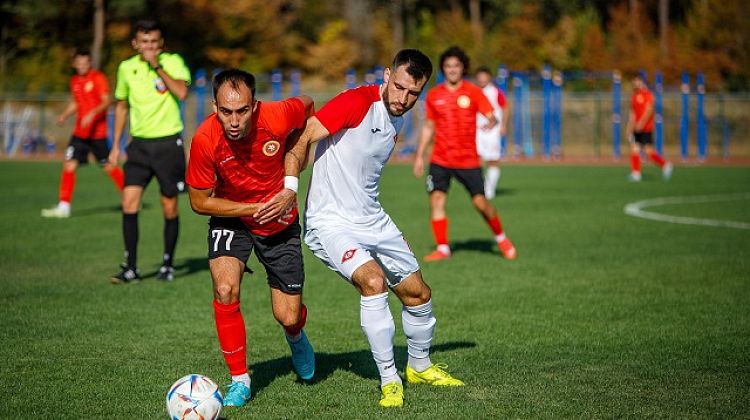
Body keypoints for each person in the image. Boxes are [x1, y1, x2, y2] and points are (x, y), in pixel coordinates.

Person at [274, 49, 463, 409]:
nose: (403, 99)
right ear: (387, 74)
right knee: (373, 281)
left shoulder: (398, 117)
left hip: (372, 218)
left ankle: (419, 367)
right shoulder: (356, 101)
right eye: (399, 87)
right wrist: (290, 188)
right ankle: (390, 380)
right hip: (330, 222)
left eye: (413, 94)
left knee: (418, 293)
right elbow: (302, 137)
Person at [186, 69, 316, 408]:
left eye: (242, 110)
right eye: (226, 111)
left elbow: (309, 106)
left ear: (254, 105)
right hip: (232, 217)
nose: (233, 120)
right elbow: (199, 201)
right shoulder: (204, 139)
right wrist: (249, 208)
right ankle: (240, 379)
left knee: (287, 315)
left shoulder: (276, 115)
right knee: (225, 288)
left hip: (279, 220)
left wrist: (293, 174)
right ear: (215, 107)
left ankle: (296, 336)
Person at [413, 46, 516, 262]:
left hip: (468, 160)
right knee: (437, 200)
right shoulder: (434, 95)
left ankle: (501, 238)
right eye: (448, 66)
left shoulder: (473, 92)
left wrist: (492, 120)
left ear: (463, 68)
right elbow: (429, 127)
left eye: (456, 66)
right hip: (440, 158)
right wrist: (420, 155)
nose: (452, 70)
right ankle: (443, 247)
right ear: (443, 69)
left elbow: (492, 114)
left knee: (480, 203)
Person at [109, 20, 191, 283]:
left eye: (154, 43)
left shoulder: (173, 61)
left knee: (169, 206)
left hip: (168, 144)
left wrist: (157, 66)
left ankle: (168, 263)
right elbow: (121, 107)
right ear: (135, 44)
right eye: (144, 43)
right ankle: (131, 267)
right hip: (139, 147)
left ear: (161, 44)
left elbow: (181, 92)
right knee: (128, 202)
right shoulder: (126, 68)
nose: (149, 48)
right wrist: (115, 145)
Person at [42, 47, 124, 218]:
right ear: (74, 63)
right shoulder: (75, 81)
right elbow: (77, 102)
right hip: (80, 133)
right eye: (79, 63)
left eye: (85, 62)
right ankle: (64, 206)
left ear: (90, 63)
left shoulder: (98, 78)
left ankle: (130, 196)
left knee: (108, 166)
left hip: (97, 133)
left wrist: (92, 114)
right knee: (69, 164)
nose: (82, 66)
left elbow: (106, 101)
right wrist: (65, 115)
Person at [627, 73, 673, 182]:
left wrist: (641, 123)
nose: (635, 83)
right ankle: (636, 173)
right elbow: (632, 113)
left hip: (646, 128)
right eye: (634, 81)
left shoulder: (647, 94)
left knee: (648, 151)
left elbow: (649, 110)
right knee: (635, 149)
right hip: (637, 129)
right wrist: (629, 127)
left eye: (637, 81)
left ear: (642, 82)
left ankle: (665, 165)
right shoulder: (634, 96)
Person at [474, 66, 509, 200]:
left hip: (492, 132)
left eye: (484, 76)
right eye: (480, 77)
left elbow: (506, 108)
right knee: (476, 159)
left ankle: (490, 189)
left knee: (493, 160)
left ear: (489, 77)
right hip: (476, 131)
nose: (482, 79)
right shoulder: (473, 91)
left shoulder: (495, 92)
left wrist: (503, 125)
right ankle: (480, 187)